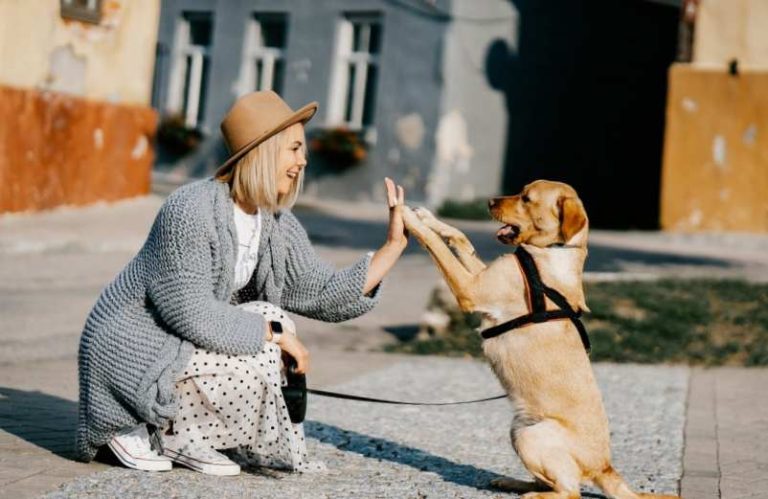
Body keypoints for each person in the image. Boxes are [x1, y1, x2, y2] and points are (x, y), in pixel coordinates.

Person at [76, 91, 408, 475]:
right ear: (265, 150)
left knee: (270, 321)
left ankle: (187, 436)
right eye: (294, 148)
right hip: (133, 349)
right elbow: (192, 313)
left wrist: (393, 245)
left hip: (182, 344)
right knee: (270, 328)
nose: (303, 160)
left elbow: (323, 293)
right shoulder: (191, 209)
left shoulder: (273, 222)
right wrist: (277, 333)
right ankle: (136, 424)